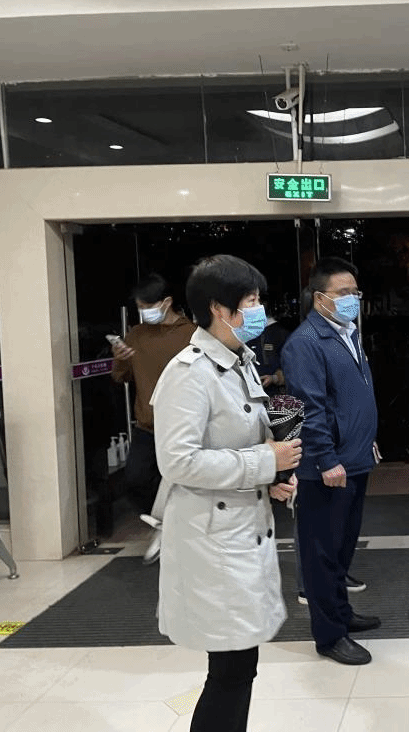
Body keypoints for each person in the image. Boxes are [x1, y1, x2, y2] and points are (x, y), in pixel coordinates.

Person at [150, 255, 301, 732]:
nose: (258, 310)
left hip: (241, 529)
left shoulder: (240, 363)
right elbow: (178, 461)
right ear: (219, 308)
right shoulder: (189, 373)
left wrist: (273, 474)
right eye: (250, 301)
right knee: (231, 670)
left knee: (239, 667)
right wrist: (264, 462)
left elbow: (241, 440)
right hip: (212, 541)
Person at [282, 257, 382, 666]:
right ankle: (329, 635)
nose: (352, 300)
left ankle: (342, 613)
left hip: (354, 459)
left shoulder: (348, 333)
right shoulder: (305, 343)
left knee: (342, 547)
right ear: (319, 297)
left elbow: (352, 398)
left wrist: (366, 439)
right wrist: (325, 459)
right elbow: (309, 407)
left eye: (355, 292)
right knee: (322, 553)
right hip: (328, 467)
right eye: (343, 293)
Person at [110, 273, 195, 562]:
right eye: (139, 307)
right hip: (148, 426)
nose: (143, 312)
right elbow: (121, 376)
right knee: (135, 480)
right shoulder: (136, 334)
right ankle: (164, 524)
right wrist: (120, 358)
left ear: (167, 302)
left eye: (147, 306)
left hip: (184, 426)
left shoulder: (192, 334)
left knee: (184, 483)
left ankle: (176, 531)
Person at [245, 303, 290, 395]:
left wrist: (275, 378)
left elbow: (293, 369)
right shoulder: (244, 333)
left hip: (275, 393)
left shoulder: (280, 334)